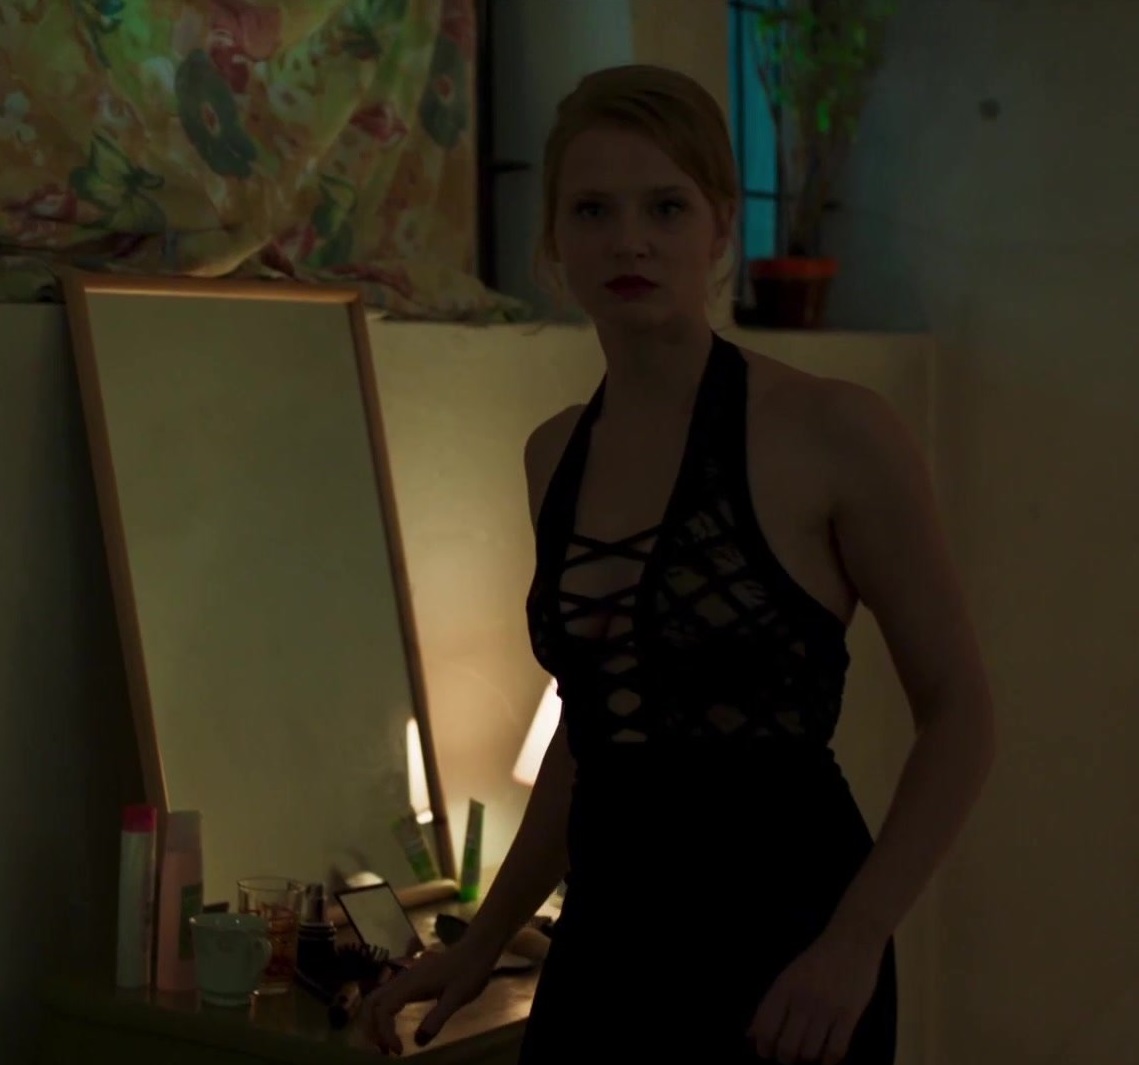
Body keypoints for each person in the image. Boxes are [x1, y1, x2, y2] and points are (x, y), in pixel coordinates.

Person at [362, 64, 996, 1064]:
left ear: (718, 226)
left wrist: (855, 940)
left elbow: (959, 714)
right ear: (553, 240)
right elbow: (594, 731)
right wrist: (481, 941)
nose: (628, 240)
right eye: (592, 210)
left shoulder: (833, 430)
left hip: (788, 955)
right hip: (607, 946)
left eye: (664, 206)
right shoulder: (553, 453)